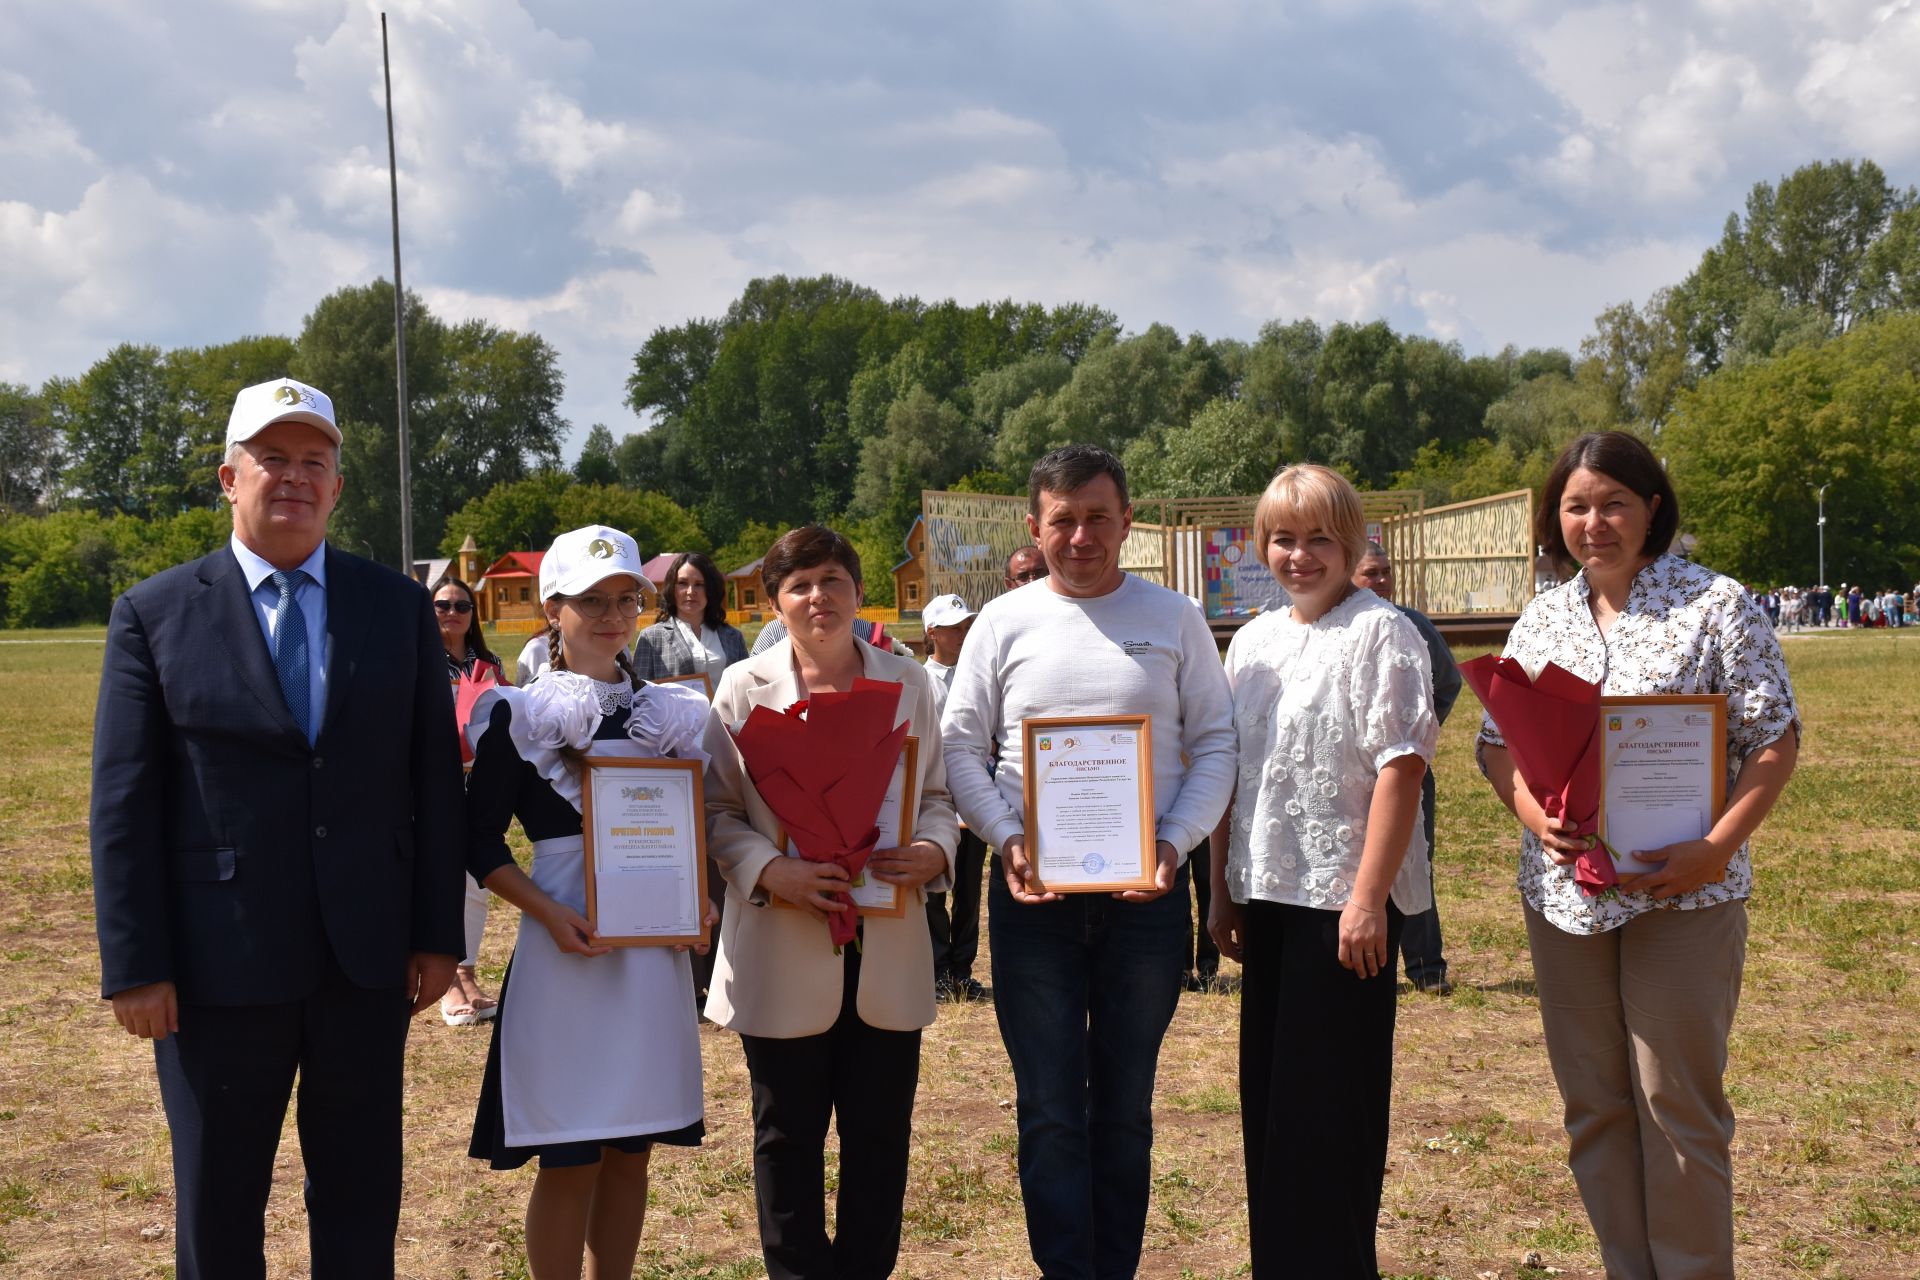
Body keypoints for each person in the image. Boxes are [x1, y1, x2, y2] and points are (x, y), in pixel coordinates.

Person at [89, 377, 466, 1280]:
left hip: (365, 964)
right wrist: (137, 964)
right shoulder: (155, 613)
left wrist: (436, 937)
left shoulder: (397, 607)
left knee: (360, 1198)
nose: (293, 478)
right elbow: (125, 802)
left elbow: (431, 780)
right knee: (218, 1208)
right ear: (229, 477)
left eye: (314, 462)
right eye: (272, 459)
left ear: (337, 486)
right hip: (219, 970)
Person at [1477, 431, 1799, 1279]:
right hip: (1565, 896)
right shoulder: (1543, 615)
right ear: (1556, 519)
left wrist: (1715, 850)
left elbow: (1774, 740)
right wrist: (1531, 813)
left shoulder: (1715, 604)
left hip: (1683, 895)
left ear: (1652, 507)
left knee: (1676, 1105)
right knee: (1594, 1107)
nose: (1595, 523)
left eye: (1614, 502)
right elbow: (1495, 742)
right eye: (1577, 506)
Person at [941, 444, 1236, 1280]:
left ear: (1128, 521)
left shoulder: (1175, 617)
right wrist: (1007, 839)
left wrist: (1174, 844)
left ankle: (1115, 1268)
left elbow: (1215, 741)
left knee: (1125, 1109)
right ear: (1035, 528)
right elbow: (962, 746)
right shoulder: (1002, 622)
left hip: (1147, 902)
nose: (1081, 536)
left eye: (1098, 517)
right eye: (1062, 520)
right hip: (1033, 903)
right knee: (1047, 1109)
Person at [701, 525, 959, 1280]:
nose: (819, 597)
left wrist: (935, 850)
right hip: (783, 943)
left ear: (857, 590)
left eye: (833, 580)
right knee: (786, 1135)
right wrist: (768, 869)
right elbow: (716, 812)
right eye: (800, 584)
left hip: (887, 944)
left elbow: (936, 797)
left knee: (881, 1136)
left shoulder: (907, 682)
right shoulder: (742, 688)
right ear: (776, 602)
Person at [463, 525, 716, 1280]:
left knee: (631, 1154)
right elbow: (476, 846)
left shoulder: (672, 718)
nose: (611, 615)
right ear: (552, 608)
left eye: (626, 600)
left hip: (649, 961)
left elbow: (690, 838)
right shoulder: (522, 714)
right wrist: (546, 912)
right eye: (591, 601)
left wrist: (697, 901)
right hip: (565, 957)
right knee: (570, 1156)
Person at [1207, 465, 1437, 1278]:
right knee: (1271, 1110)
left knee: (1328, 1116)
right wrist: (1221, 893)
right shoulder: (1256, 642)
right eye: (1281, 539)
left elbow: (1400, 769)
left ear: (1351, 544)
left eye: (1317, 540)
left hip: (1343, 908)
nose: (1298, 556)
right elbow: (1232, 771)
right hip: (1266, 895)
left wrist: (1370, 899)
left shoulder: (1383, 632)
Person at [1351, 540, 1462, 994]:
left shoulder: (1411, 624)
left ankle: (1425, 967)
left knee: (1415, 859)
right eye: (1369, 573)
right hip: (1350, 773)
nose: (1379, 580)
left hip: (1406, 771)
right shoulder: (1337, 626)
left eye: (1384, 572)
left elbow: (1449, 681)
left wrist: (1416, 736)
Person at [435, 576, 507, 1027]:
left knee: (478, 880)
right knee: (443, 879)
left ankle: (468, 971)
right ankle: (446, 981)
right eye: (442, 605)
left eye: (462, 606)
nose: (453, 612)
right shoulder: (416, 660)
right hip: (433, 781)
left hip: (483, 782)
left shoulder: (490, 661)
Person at [919, 593, 988, 1001]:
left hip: (973, 795)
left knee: (968, 890)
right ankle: (937, 969)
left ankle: (962, 969)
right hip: (935, 800)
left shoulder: (977, 676)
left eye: (966, 627)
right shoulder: (919, 680)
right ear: (933, 633)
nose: (963, 634)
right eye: (954, 628)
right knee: (932, 889)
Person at [632, 551, 747, 688]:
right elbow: (640, 694)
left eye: (699, 584)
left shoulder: (734, 636)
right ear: (671, 588)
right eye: (683, 583)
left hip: (726, 710)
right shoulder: (651, 638)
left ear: (710, 589)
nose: (691, 591)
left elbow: (746, 687)